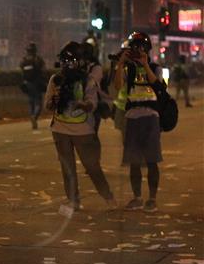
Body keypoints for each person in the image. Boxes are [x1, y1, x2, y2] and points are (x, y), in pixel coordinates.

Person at [44, 42, 117, 212]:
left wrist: (83, 105)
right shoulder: (55, 80)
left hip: (83, 131)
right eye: (65, 61)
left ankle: (108, 196)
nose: (67, 65)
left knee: (92, 167)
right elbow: (47, 105)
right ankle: (73, 200)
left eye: (71, 61)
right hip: (60, 131)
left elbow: (92, 103)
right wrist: (54, 101)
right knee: (67, 168)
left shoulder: (87, 80)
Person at [111, 31, 165, 212]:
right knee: (134, 162)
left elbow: (158, 85)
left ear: (147, 49)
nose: (137, 50)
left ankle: (152, 199)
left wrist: (144, 65)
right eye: (134, 47)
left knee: (152, 160)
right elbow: (117, 87)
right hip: (132, 117)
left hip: (151, 118)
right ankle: (137, 197)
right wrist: (120, 64)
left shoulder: (156, 67)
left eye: (141, 47)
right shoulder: (127, 69)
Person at [19, 42, 46, 129]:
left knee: (31, 101)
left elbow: (21, 72)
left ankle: (32, 115)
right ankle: (34, 116)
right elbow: (43, 71)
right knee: (38, 102)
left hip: (27, 84)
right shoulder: (38, 59)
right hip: (36, 83)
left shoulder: (24, 60)